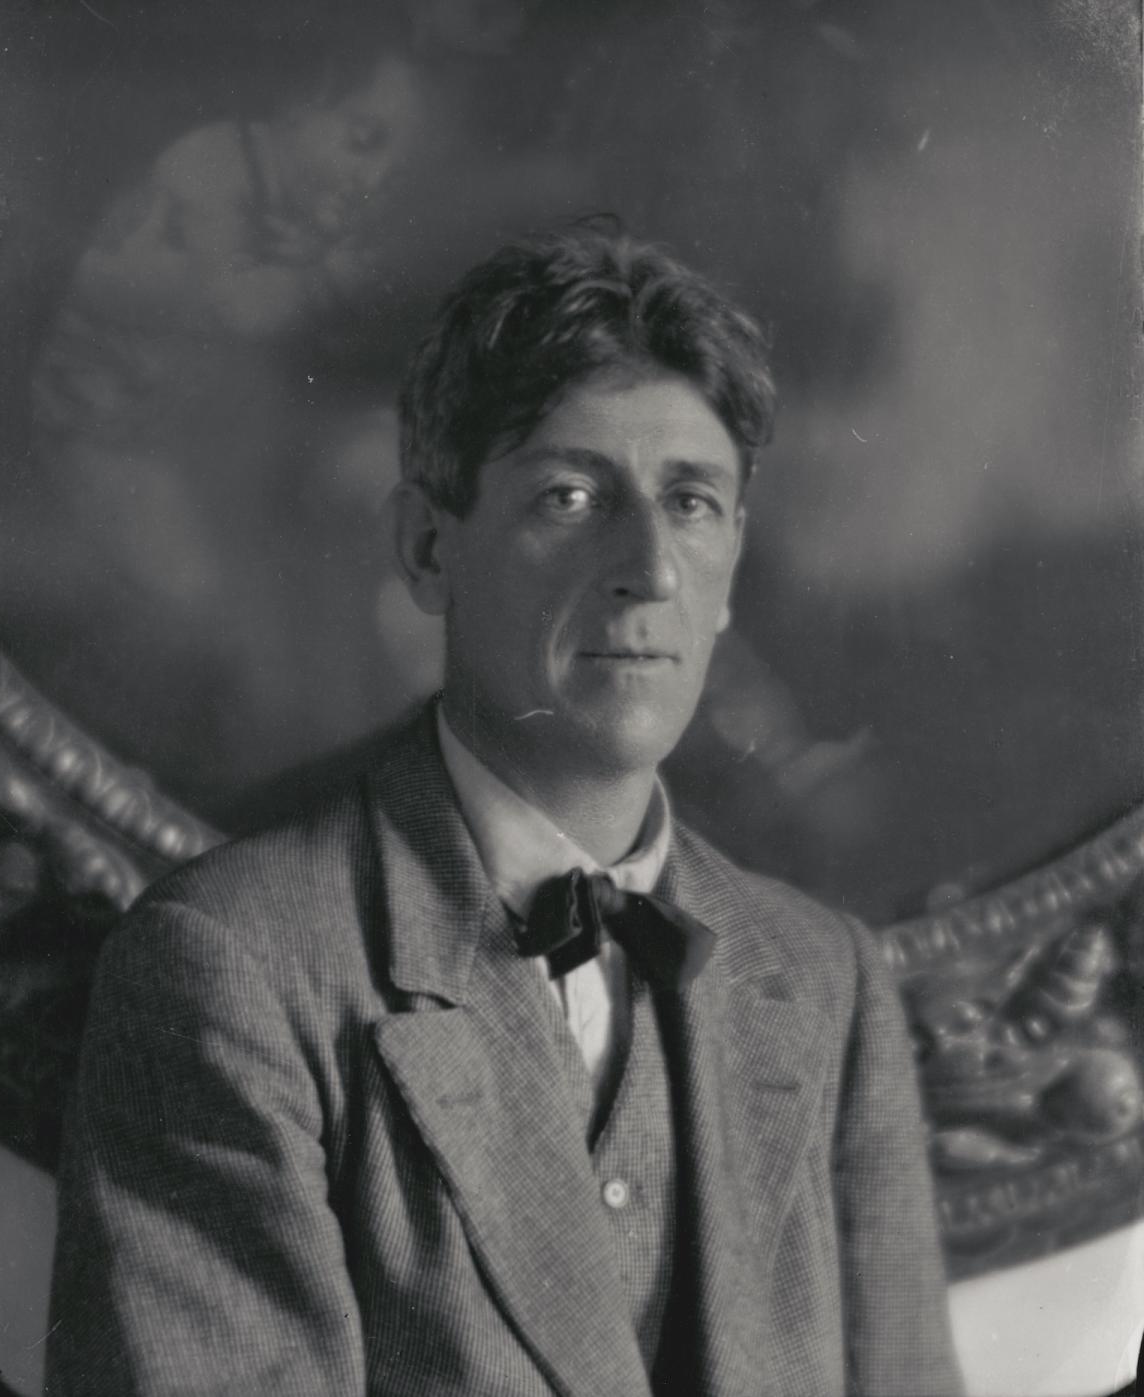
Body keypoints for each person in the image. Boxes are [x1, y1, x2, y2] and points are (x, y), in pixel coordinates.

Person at [48, 227, 963, 1395]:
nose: (649, 568)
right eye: (571, 495)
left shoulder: (827, 979)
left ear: (732, 564)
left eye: (692, 502)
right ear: (429, 546)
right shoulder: (231, 966)